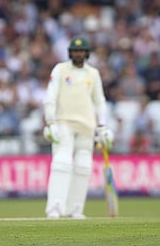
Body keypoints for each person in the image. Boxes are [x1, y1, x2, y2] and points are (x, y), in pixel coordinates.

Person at [42, 36, 112, 219]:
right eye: (75, 51)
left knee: (83, 166)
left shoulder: (93, 74)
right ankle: (55, 208)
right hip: (64, 122)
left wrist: (102, 126)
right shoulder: (61, 69)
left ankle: (75, 209)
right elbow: (50, 96)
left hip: (87, 126)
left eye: (81, 51)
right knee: (62, 162)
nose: (78, 54)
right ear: (70, 53)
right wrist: (50, 122)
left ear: (87, 53)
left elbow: (100, 101)